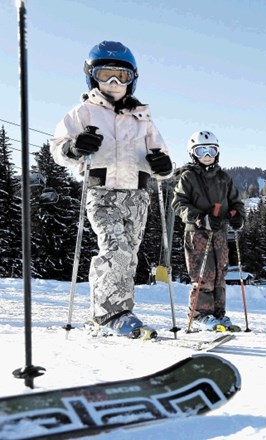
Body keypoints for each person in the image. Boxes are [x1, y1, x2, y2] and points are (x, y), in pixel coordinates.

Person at [51, 41, 173, 338]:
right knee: (115, 250)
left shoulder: (142, 117)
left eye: (122, 75)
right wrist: (74, 147)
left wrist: (162, 165)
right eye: (106, 75)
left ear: (133, 78)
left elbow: (163, 158)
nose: (115, 83)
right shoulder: (85, 112)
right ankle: (108, 313)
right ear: (92, 77)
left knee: (129, 254)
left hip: (138, 195)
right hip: (102, 191)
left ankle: (121, 311)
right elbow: (58, 149)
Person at [172, 131, 245, 332]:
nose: (207, 155)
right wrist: (200, 218)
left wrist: (238, 216)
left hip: (219, 232)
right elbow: (179, 204)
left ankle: (218, 314)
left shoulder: (224, 177)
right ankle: (200, 315)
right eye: (201, 150)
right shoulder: (188, 176)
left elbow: (236, 202)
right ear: (193, 153)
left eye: (211, 150)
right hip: (197, 233)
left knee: (220, 273)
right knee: (203, 274)